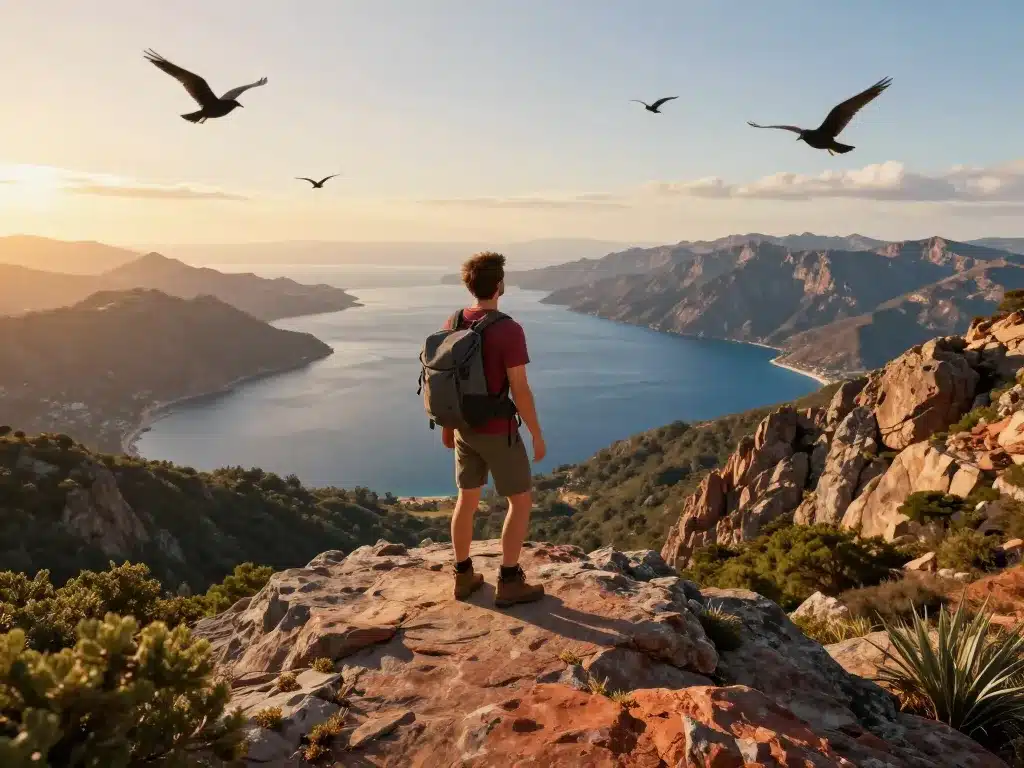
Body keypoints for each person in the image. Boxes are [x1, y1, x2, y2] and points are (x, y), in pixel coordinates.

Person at [443, 251, 546, 607]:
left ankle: (463, 575)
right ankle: (510, 580)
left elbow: (445, 382)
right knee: (520, 501)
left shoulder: (454, 320)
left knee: (466, 500)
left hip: (463, 429)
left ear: (468, 285)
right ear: (500, 286)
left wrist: (448, 427)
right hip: (497, 429)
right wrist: (535, 432)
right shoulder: (508, 329)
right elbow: (519, 387)